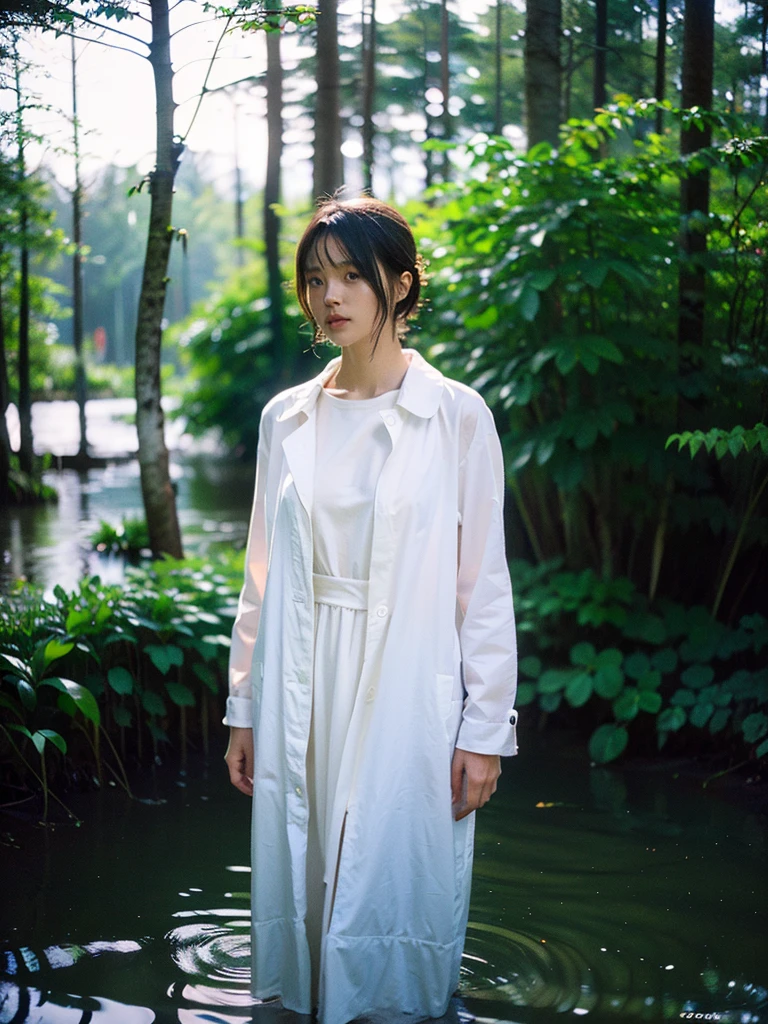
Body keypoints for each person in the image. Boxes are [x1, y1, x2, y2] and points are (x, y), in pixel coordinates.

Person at [223, 196, 518, 1024]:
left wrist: (484, 730)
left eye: (353, 275)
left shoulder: (456, 414)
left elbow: (482, 586)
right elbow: (261, 572)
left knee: (395, 875)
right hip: (299, 673)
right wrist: (243, 705)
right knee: (304, 871)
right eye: (316, 279)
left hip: (406, 682)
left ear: (402, 283)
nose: (332, 296)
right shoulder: (287, 415)